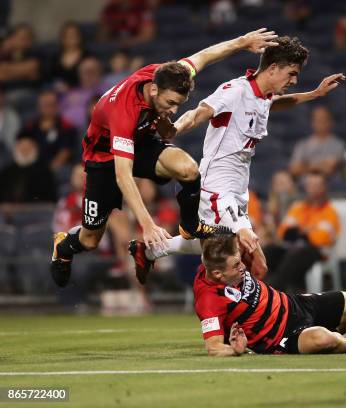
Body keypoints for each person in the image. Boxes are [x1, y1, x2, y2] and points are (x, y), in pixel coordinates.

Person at [50, 29, 279, 288]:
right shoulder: (123, 111)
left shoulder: (169, 74)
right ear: (154, 89)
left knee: (188, 169)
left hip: (142, 142)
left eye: (178, 105)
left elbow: (204, 56)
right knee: (90, 239)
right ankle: (63, 247)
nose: (173, 111)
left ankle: (191, 226)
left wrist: (242, 42)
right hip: (104, 159)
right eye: (170, 103)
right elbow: (123, 174)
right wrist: (147, 225)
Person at [132, 36, 345, 283]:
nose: (294, 80)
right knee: (247, 258)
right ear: (273, 68)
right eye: (291, 73)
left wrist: (314, 94)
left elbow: (274, 104)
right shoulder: (235, 91)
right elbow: (198, 113)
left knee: (217, 246)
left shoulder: (263, 96)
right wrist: (174, 130)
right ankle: (235, 314)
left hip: (238, 188)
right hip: (216, 188)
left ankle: (150, 250)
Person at [194, 234, 346, 356]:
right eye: (236, 265)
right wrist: (235, 350)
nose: (243, 266)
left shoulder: (223, 257)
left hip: (294, 303)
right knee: (323, 340)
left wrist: (247, 233)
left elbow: (261, 264)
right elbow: (214, 347)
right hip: (280, 337)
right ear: (218, 274)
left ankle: (336, 340)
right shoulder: (209, 300)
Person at [264, 171, 339, 292]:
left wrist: (300, 231)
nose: (312, 188)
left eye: (316, 185)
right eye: (310, 185)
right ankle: (261, 284)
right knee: (270, 250)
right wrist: (306, 231)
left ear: (324, 188)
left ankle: (273, 288)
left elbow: (320, 239)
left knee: (297, 253)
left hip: (316, 252)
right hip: (292, 248)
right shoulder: (298, 207)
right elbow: (283, 232)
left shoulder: (330, 212)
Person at [19, 90, 77, 171]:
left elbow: (65, 153)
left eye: (51, 105)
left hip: (54, 169)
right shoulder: (30, 127)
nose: (48, 108)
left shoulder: (66, 127)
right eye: (44, 105)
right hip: (31, 166)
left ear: (57, 106)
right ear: (39, 107)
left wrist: (47, 172)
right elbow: (22, 146)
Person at [288, 106, 345, 180]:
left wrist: (305, 165)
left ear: (331, 122)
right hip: (304, 186)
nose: (321, 123)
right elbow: (294, 169)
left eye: (324, 119)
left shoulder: (338, 145)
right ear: (312, 122)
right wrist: (319, 165)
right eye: (317, 120)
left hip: (329, 186)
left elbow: (328, 169)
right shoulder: (302, 144)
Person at [0, 136, 57, 204]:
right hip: (6, 211)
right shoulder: (7, 171)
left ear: (35, 148)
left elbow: (48, 197)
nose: (24, 150)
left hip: (34, 211)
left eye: (28, 147)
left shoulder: (44, 171)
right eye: (21, 146)